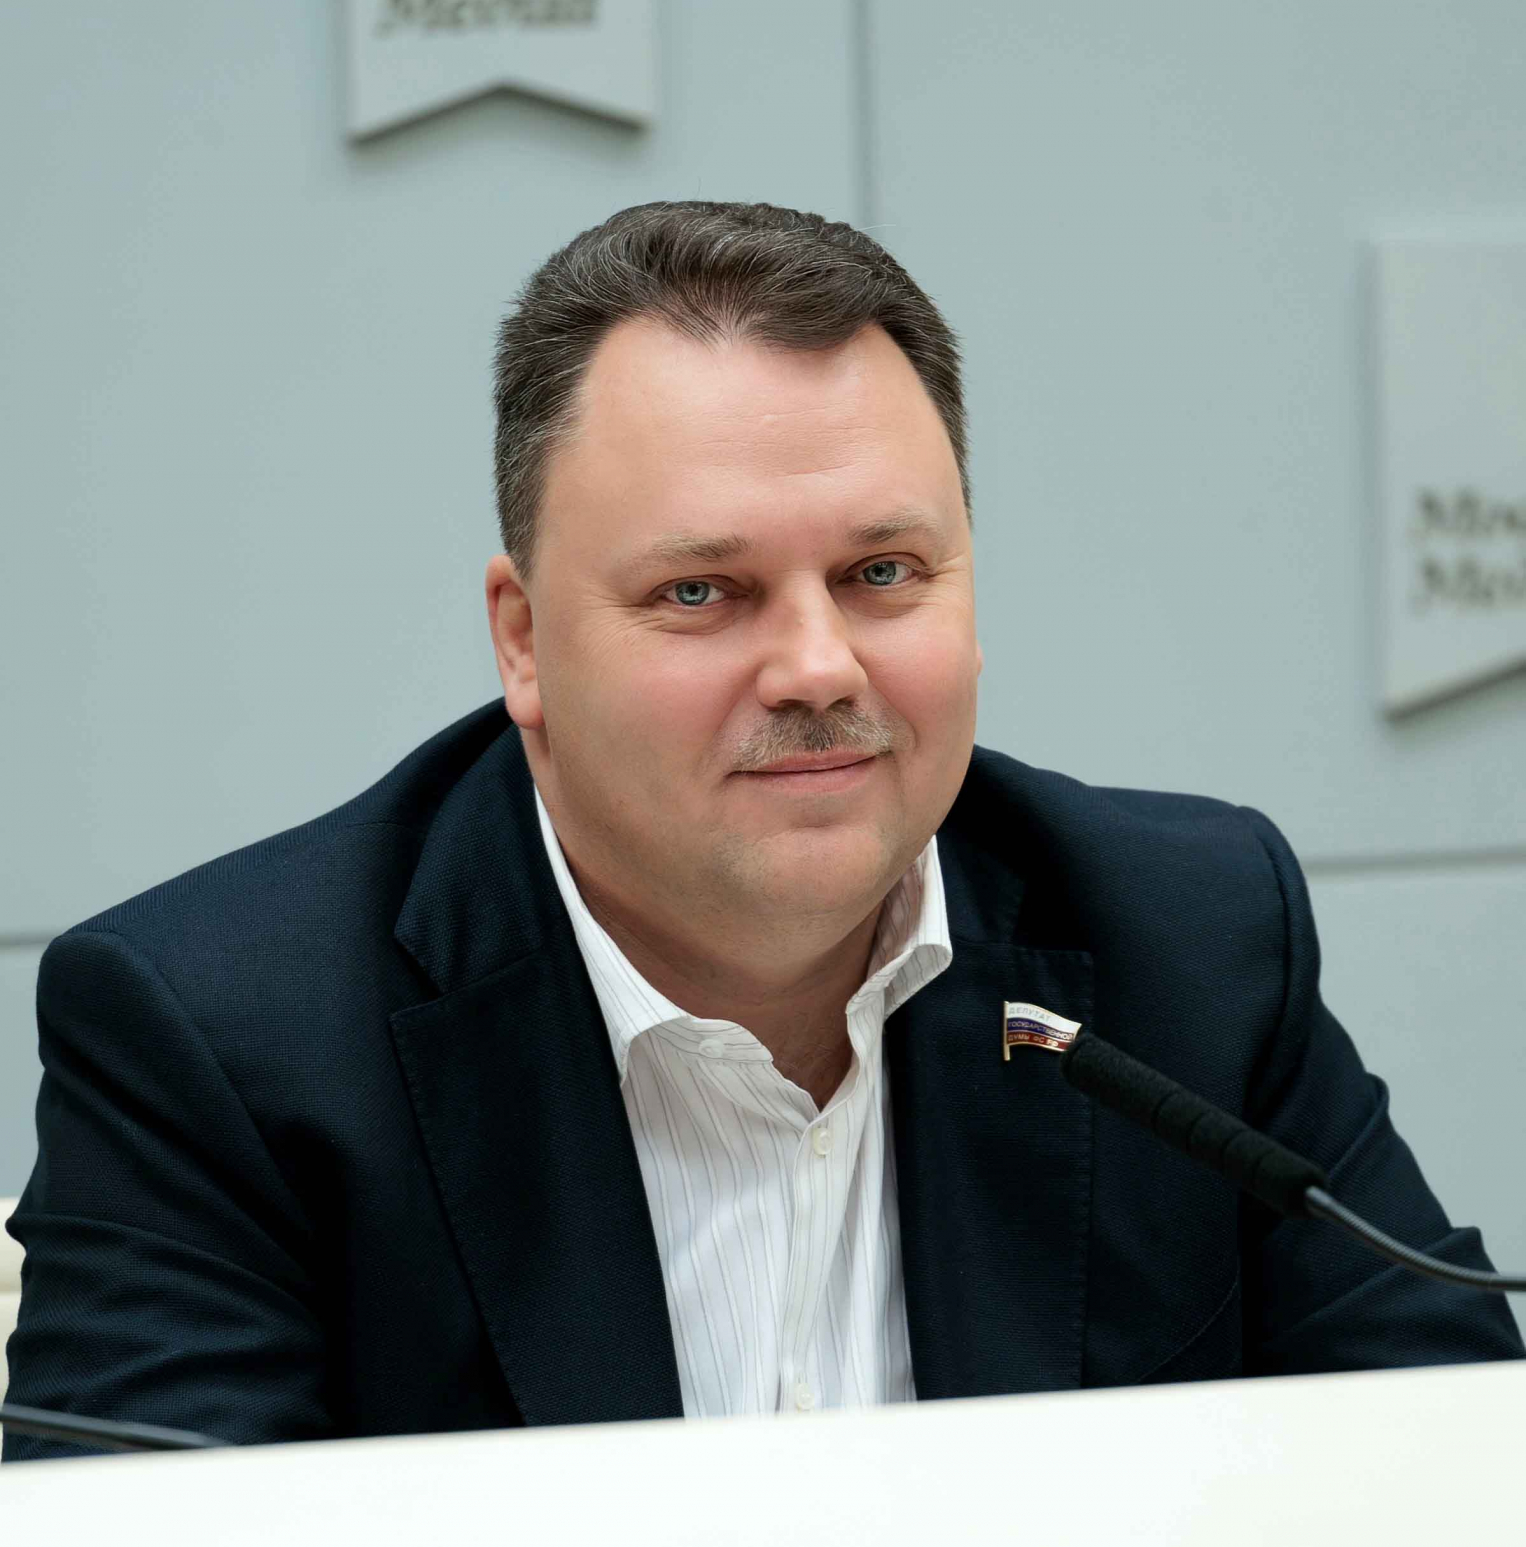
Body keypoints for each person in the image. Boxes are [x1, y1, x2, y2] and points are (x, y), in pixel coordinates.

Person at [4, 201, 1519, 1460]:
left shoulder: (1188, 946)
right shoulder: (221, 1042)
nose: (816, 668)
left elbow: (1451, 1454)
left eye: (881, 573)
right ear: (523, 641)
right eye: (700, 592)